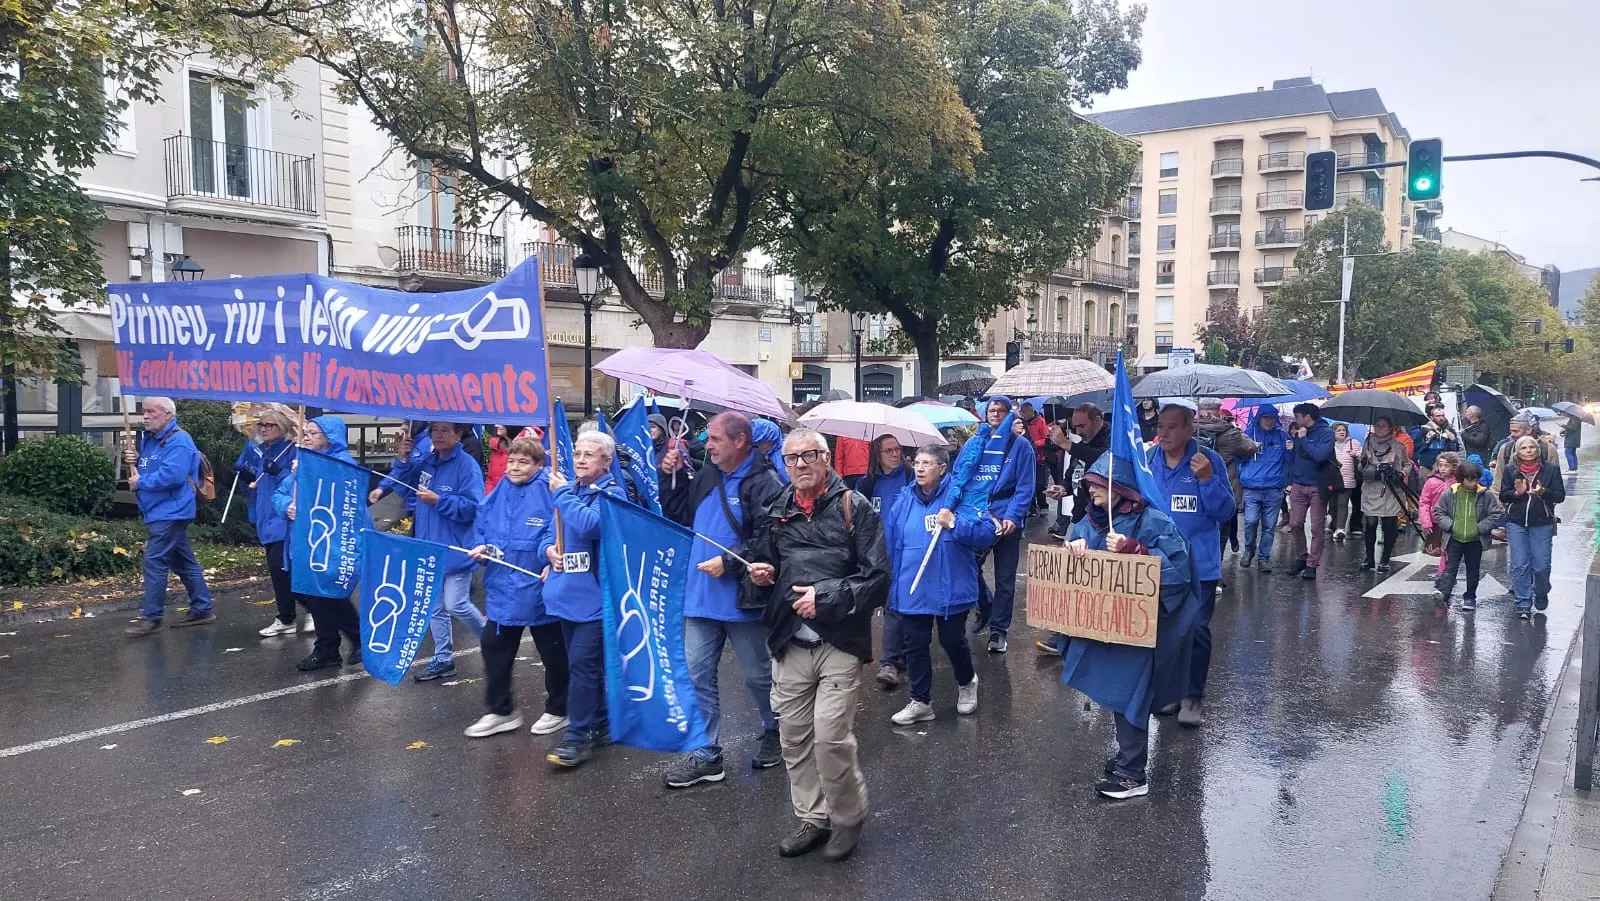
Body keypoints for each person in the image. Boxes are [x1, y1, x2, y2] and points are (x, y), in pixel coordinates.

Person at [747, 428, 889, 862]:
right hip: (789, 640)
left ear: (826, 459)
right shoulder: (777, 510)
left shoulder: (854, 507)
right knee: (793, 737)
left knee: (830, 738)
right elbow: (766, 562)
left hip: (839, 641)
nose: (800, 465)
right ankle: (813, 816)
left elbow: (878, 578)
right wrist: (760, 574)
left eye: (809, 456)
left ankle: (848, 818)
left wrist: (824, 597)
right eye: (791, 459)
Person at [657, 412, 786, 788]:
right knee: (697, 674)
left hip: (742, 600)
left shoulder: (767, 483)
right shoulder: (708, 473)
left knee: (757, 675)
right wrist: (672, 475)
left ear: (740, 441)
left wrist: (729, 563)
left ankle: (773, 729)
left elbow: (770, 540)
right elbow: (678, 513)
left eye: (714, 439)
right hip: (699, 596)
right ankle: (707, 754)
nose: (707, 445)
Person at [1062, 454, 1200, 800]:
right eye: (1090, 483)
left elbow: (1179, 572)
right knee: (1114, 691)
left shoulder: (1153, 521)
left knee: (1130, 696)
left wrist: (1137, 550)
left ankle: (1132, 774)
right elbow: (1073, 550)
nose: (1090, 489)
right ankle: (1127, 755)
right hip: (1102, 627)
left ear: (1119, 488)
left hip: (1137, 631)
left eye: (1098, 484)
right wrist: (1073, 546)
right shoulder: (1090, 520)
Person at [463, 436, 569, 739]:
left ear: (538, 465)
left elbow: (558, 530)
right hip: (502, 586)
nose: (515, 466)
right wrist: (480, 547)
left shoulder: (548, 492)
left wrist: (551, 556)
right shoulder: (499, 492)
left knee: (553, 652)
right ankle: (500, 710)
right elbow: (480, 525)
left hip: (538, 586)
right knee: (493, 646)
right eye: (511, 460)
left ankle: (560, 708)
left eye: (523, 461)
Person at [540, 431, 629, 767]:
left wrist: (561, 493)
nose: (579, 460)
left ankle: (576, 737)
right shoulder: (571, 492)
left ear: (606, 461)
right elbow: (549, 535)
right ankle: (602, 723)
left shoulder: (612, 494)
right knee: (585, 666)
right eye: (577, 453)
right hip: (567, 597)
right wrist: (548, 552)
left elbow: (591, 525)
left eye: (588, 455)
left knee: (581, 666)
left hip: (596, 600)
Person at [883, 445, 989, 725]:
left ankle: (967, 681)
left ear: (942, 468)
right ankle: (921, 701)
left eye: (927, 463)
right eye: (917, 462)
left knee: (951, 639)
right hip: (912, 584)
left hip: (949, 584)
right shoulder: (904, 498)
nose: (919, 468)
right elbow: (892, 540)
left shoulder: (962, 496)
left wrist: (956, 524)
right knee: (915, 644)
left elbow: (985, 533)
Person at [1145, 404, 1234, 728]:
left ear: (1188, 429)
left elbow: (1225, 511)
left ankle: (1193, 695)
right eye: (1160, 425)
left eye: (1171, 427)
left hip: (1200, 564)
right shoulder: (1150, 462)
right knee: (1165, 632)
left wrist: (1207, 480)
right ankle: (1169, 692)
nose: (1163, 432)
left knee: (1195, 629)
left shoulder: (1208, 461)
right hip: (1160, 564)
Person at [274, 415, 364, 670]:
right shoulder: (302, 462)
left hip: (330, 542)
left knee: (328, 594)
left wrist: (309, 477)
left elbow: (342, 502)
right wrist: (287, 506)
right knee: (308, 593)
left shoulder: (343, 464)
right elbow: (279, 494)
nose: (307, 437)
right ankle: (336, 644)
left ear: (329, 436)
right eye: (305, 433)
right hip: (304, 542)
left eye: (313, 433)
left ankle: (335, 645)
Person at [123, 396, 217, 635]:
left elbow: (172, 476)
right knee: (182, 561)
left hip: (172, 511)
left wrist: (141, 482)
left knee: (154, 560)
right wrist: (135, 461)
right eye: (143, 412)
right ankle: (202, 608)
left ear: (167, 414)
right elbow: (151, 467)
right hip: (160, 510)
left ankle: (152, 617)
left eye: (151, 412)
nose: (145, 416)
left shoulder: (179, 441)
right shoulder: (151, 440)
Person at [404, 422, 487, 682]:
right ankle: (443, 660)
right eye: (434, 430)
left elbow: (473, 507)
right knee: (434, 607)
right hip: (430, 547)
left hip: (456, 547)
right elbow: (403, 486)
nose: (438, 435)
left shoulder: (466, 466)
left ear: (458, 434)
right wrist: (403, 458)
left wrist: (440, 501)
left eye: (444, 430)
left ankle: (494, 642)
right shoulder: (428, 462)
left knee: (456, 603)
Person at [970, 398, 1036, 653]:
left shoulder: (1022, 447)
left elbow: (1025, 487)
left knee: (1005, 578)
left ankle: (998, 631)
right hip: (981, 516)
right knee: (968, 565)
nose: (995, 414)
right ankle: (985, 605)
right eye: (991, 410)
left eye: (1001, 411)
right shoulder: (979, 442)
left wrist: (1012, 516)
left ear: (1009, 415)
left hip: (1007, 516)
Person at [857, 434, 911, 689]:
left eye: (897, 449)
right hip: (880, 554)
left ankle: (894, 658)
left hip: (908, 552)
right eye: (888, 450)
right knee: (891, 606)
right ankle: (892, 659)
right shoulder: (867, 484)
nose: (894, 454)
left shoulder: (911, 477)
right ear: (876, 456)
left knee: (902, 607)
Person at [246, 407, 305, 637]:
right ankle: (292, 615)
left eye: (269, 425)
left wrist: (279, 472)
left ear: (281, 427)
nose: (263, 428)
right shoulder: (263, 451)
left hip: (284, 520)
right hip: (267, 519)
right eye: (261, 424)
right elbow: (261, 489)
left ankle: (291, 616)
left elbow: (297, 481)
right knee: (278, 570)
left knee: (282, 569)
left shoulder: (293, 450)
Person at [1500, 435, 1565, 619]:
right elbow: (1504, 495)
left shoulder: (1550, 470)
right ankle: (1523, 603)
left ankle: (1542, 591)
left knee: (1541, 566)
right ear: (1517, 452)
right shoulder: (1511, 470)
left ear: (1537, 450)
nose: (1528, 451)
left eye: (1532, 447)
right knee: (1520, 565)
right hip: (1516, 523)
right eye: (1524, 448)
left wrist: (1543, 492)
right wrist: (1517, 493)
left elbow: (1560, 496)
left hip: (1541, 523)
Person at [1431, 459, 1501, 612]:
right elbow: (1438, 511)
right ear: (1461, 479)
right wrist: (1451, 525)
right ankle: (1444, 593)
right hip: (1454, 538)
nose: (1473, 483)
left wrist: (1480, 528)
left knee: (1473, 569)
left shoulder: (1486, 495)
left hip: (1475, 540)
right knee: (1450, 567)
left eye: (1476, 479)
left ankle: (1470, 597)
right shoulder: (1450, 493)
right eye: (1470, 479)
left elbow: (1495, 514)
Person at [1195, 399, 1258, 558]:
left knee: (1198, 531)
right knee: (1221, 534)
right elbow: (1247, 449)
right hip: (1225, 487)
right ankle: (1216, 571)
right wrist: (1256, 444)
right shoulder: (1231, 433)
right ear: (1218, 410)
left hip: (1195, 487)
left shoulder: (1188, 430)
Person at [1286, 403, 1335, 580]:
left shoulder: (1326, 433)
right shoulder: (1299, 432)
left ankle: (1312, 564)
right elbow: (1293, 459)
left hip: (1317, 485)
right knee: (1295, 523)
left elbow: (1320, 456)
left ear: (1307, 417)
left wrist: (1304, 440)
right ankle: (1301, 557)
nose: (1295, 420)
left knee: (1316, 527)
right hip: (1298, 484)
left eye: (1298, 417)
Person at [1357, 415, 1412, 573]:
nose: (1379, 429)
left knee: (1389, 525)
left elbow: (1408, 464)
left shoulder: (1398, 446)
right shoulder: (1367, 443)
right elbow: (1361, 467)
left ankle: (1385, 559)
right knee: (1371, 524)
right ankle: (1369, 558)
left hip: (1391, 490)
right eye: (1377, 425)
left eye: (1383, 426)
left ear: (1390, 428)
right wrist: (1363, 464)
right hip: (1372, 488)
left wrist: (1401, 473)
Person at [1238, 407, 1291, 573]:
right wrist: (1249, 449)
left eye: (1272, 418)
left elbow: (1289, 461)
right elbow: (1238, 457)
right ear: (1259, 418)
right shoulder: (1248, 435)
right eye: (1265, 418)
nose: (1269, 421)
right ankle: (1249, 549)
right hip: (1252, 488)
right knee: (1250, 521)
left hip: (1274, 489)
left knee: (1269, 526)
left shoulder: (1282, 436)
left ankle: (1263, 558)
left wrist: (1290, 450)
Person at [1418, 452, 1461, 580]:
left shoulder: (1458, 482)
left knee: (1448, 549)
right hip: (1435, 521)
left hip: (1451, 522)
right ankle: (1444, 573)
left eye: (1446, 466)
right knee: (1436, 549)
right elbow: (1424, 502)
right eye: (1440, 465)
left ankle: (1443, 574)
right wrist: (1426, 521)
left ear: (1453, 467)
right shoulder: (1432, 481)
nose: (1443, 469)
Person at [1331, 423, 1363, 540]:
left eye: (1343, 430)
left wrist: (1356, 454)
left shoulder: (1353, 443)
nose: (1341, 432)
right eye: (1338, 430)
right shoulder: (1330, 444)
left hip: (1348, 479)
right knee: (1333, 505)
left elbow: (1363, 456)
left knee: (1342, 504)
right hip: (1332, 480)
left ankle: (1340, 529)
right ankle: (1335, 526)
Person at [1410, 405, 1461, 478]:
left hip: (1445, 467)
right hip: (1427, 467)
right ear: (1432, 417)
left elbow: (1456, 450)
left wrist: (1452, 440)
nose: (1441, 418)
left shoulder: (1450, 430)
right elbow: (1416, 447)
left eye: (1443, 415)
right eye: (1438, 416)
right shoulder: (1425, 430)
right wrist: (1427, 441)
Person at [1018, 401, 1050, 514]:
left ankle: (1043, 506)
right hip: (1026, 459)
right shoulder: (1021, 423)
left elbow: (1046, 438)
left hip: (1039, 457)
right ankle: (1031, 507)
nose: (1026, 414)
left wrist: (1033, 444)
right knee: (1028, 483)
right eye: (1024, 412)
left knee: (1040, 483)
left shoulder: (1040, 421)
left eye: (1028, 412)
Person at [751, 418, 790, 485]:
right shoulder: (767, 456)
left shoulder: (783, 456)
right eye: (755, 445)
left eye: (760, 443)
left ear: (771, 440)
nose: (758, 447)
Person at [485, 425, 512, 494]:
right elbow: (490, 478)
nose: (496, 425)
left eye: (502, 423)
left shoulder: (525, 449)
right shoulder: (496, 448)